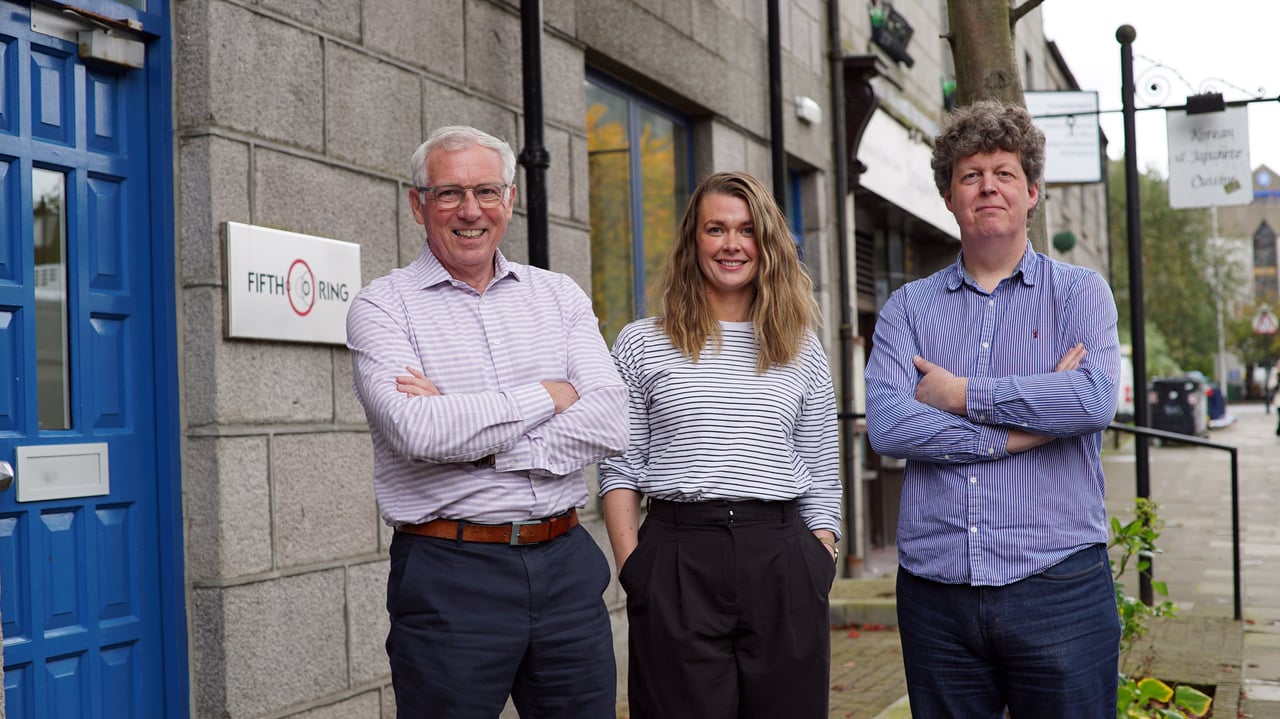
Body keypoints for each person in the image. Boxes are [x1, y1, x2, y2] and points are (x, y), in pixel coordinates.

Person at [346, 125, 628, 718]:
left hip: (566, 564)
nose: (470, 210)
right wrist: (550, 394)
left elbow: (610, 419)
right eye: (448, 193)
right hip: (451, 574)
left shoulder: (559, 296)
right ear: (417, 203)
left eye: (486, 192)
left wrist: (474, 434)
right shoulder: (382, 306)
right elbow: (416, 431)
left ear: (511, 198)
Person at [864, 99, 1122, 717]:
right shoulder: (909, 308)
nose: (988, 187)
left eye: (1004, 173)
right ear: (950, 198)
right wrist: (1026, 430)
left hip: (1057, 581)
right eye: (970, 175)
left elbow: (1090, 399)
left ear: (1032, 191)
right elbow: (889, 423)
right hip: (938, 592)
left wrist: (962, 395)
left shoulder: (1079, 294)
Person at [599, 171, 842, 719]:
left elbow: (822, 466)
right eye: (716, 229)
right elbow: (619, 465)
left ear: (768, 245)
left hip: (783, 557)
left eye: (747, 230)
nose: (732, 244)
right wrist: (633, 568)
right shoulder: (642, 342)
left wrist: (819, 556)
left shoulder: (799, 346)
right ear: (693, 241)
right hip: (677, 557)